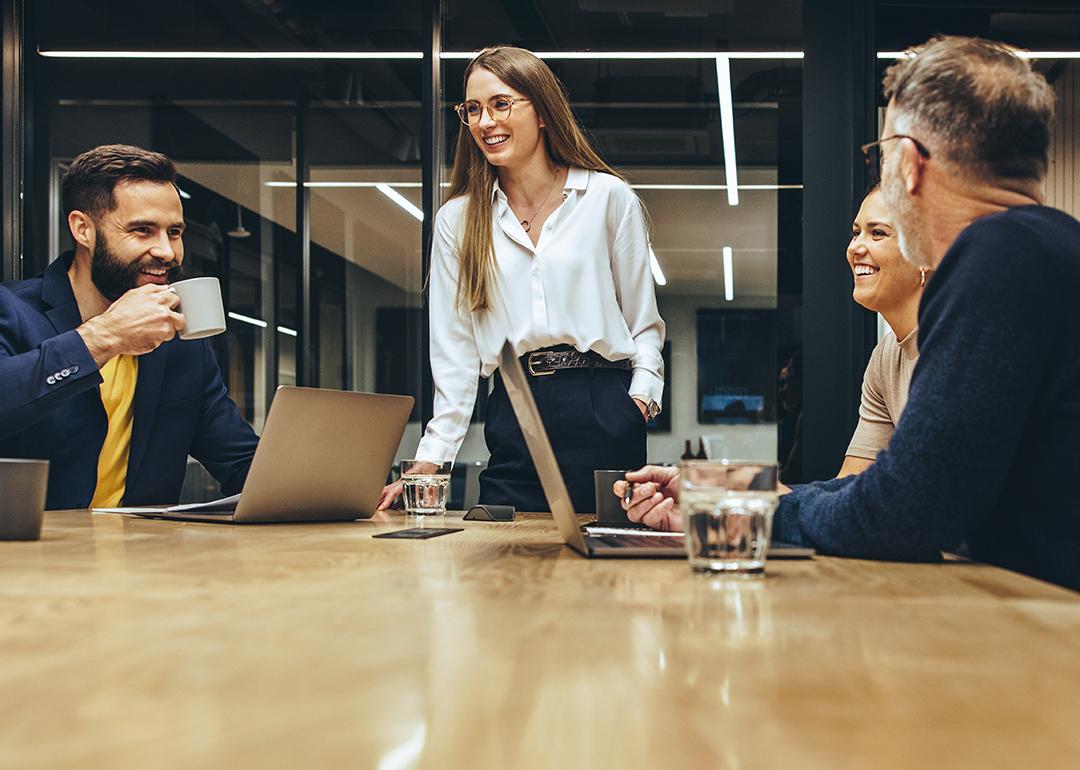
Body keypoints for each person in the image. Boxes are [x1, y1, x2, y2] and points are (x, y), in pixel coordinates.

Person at [617, 36, 1080, 591]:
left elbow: (907, 507)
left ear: (908, 164)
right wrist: (724, 497)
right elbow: (894, 484)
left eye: (879, 157)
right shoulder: (1046, 248)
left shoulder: (997, 255)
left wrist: (741, 517)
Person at [378, 45, 665, 514]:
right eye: (472, 109)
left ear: (544, 110)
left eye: (500, 103)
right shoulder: (459, 220)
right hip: (515, 408)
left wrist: (639, 401)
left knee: (608, 567)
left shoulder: (606, 198)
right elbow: (454, 356)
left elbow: (644, 324)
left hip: (604, 405)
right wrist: (431, 459)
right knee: (506, 569)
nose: (485, 121)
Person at [0, 144, 258, 510]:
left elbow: (242, 462)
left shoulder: (181, 341)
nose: (166, 251)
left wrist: (335, 485)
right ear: (83, 229)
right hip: (28, 559)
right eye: (142, 230)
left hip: (141, 559)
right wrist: (104, 337)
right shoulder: (11, 311)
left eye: (174, 232)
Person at [838, 185, 928, 477]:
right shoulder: (885, 357)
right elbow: (853, 483)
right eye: (856, 232)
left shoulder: (962, 347)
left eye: (877, 233)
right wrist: (776, 502)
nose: (855, 248)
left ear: (926, 255)